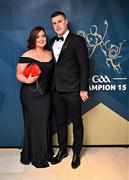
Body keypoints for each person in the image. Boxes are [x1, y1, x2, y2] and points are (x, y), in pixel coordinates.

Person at [50, 11, 90, 169]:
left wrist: (83, 88)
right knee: (60, 122)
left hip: (73, 89)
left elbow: (84, 66)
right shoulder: (52, 41)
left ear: (66, 22)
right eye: (54, 23)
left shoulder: (77, 40)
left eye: (59, 21)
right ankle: (62, 151)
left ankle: (76, 153)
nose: (57, 25)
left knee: (77, 123)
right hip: (56, 90)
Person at [16, 26, 54, 168]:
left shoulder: (51, 54)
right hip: (30, 95)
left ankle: (45, 153)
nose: (41, 39)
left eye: (43, 36)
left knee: (44, 123)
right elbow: (19, 74)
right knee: (35, 124)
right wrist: (28, 80)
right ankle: (38, 157)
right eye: (37, 37)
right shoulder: (27, 55)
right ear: (33, 39)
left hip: (46, 94)